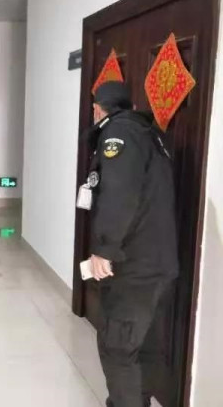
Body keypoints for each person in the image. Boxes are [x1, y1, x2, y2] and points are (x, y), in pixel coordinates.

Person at [84, 81, 179, 407]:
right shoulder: (149, 134)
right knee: (145, 346)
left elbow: (119, 194)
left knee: (118, 348)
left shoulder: (119, 134)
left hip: (134, 267)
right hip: (158, 265)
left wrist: (103, 248)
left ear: (98, 109)